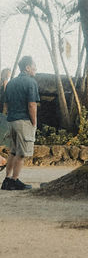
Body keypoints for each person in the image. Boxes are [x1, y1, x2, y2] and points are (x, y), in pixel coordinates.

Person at [0, 55, 39, 191]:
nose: (36, 68)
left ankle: (7, 180)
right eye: (34, 66)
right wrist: (34, 122)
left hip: (11, 120)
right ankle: (15, 180)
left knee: (13, 151)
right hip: (23, 121)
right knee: (21, 153)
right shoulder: (31, 82)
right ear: (27, 68)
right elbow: (32, 105)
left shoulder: (11, 83)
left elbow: (6, 105)